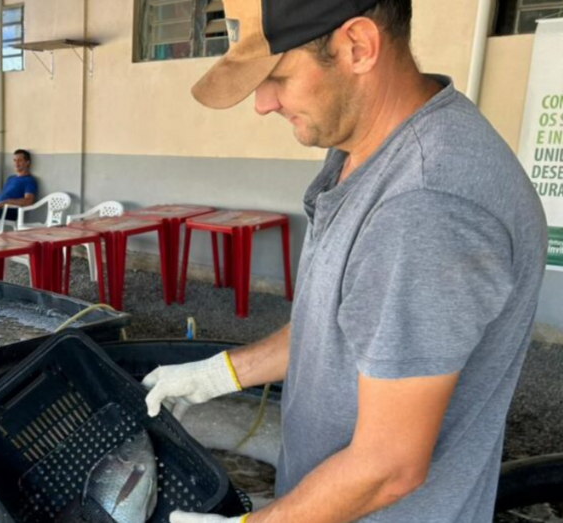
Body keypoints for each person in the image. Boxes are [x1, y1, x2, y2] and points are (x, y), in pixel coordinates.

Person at [141, 1, 547, 522]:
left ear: (358, 46)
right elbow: (342, 324)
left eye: (278, 75)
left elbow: (388, 467)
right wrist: (218, 373)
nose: (263, 103)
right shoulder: (368, 151)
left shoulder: (424, 202)